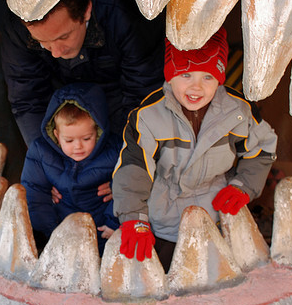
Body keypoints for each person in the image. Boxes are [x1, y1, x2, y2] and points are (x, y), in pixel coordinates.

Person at [112, 28, 278, 272]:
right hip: (165, 220)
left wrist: (243, 186)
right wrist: (135, 218)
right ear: (170, 75)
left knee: (218, 279)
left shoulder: (237, 111)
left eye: (208, 77)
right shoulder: (148, 116)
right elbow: (133, 170)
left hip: (216, 214)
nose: (196, 87)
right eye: (186, 74)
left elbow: (262, 148)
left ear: (220, 79)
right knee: (166, 280)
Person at [0, 0, 166, 147]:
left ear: (86, 10)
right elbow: (28, 99)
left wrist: (125, 153)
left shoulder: (123, 10)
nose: (56, 52)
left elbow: (143, 91)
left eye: (63, 37)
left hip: (122, 101)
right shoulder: (19, 28)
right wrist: (47, 156)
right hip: (65, 112)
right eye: (43, 42)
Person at [21, 83, 120, 255]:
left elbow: (131, 184)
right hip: (61, 233)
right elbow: (34, 194)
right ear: (56, 135)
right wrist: (54, 233)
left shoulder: (115, 150)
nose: (78, 146)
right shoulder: (41, 152)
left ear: (98, 131)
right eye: (69, 140)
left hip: (104, 231)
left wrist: (115, 222)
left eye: (87, 138)